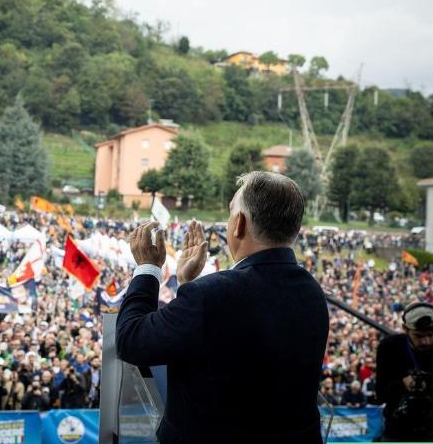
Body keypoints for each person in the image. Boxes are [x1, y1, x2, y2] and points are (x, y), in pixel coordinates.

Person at [116, 171, 329, 443]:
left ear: (239, 223)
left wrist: (148, 267)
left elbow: (131, 340)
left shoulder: (211, 295)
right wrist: (185, 284)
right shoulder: (312, 293)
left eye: (231, 213)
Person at [376, 302, 433, 441]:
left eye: (430, 334)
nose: (425, 341)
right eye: (419, 336)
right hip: (398, 432)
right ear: (405, 329)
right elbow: (380, 395)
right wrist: (402, 384)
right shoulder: (389, 348)